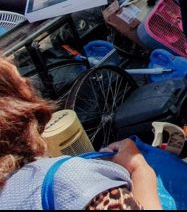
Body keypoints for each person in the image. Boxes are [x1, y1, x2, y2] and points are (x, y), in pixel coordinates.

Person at [0, 57, 162, 210]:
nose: (27, 82)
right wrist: (140, 169)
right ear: (15, 108)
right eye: (20, 80)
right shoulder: (70, 182)